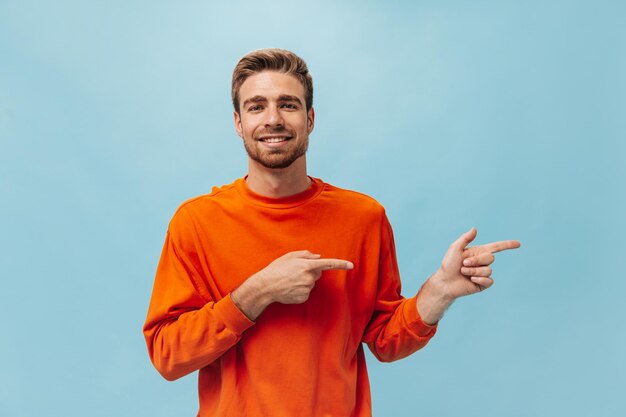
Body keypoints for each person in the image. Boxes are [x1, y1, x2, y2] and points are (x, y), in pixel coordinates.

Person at [143, 48, 520, 417]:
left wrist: (440, 291)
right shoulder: (196, 221)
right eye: (256, 106)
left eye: (288, 105)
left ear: (309, 119)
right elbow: (167, 355)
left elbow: (386, 341)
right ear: (238, 123)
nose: (273, 119)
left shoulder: (363, 217)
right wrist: (254, 295)